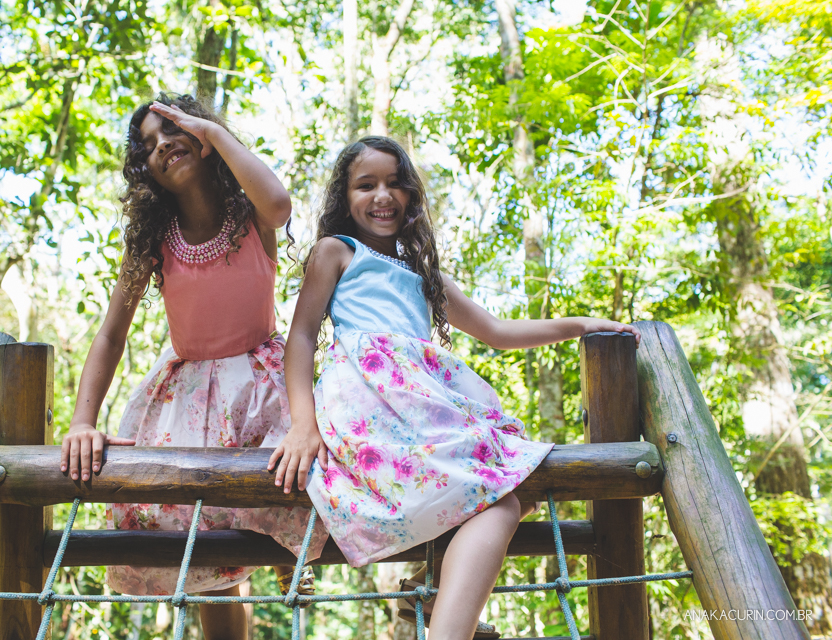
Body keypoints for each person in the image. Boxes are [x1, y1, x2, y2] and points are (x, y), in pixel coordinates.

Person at [268, 136, 640, 640]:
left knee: (514, 479)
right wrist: (302, 425)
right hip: (372, 398)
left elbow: (499, 332)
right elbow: (301, 339)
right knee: (502, 496)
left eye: (396, 183)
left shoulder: (424, 276)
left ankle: (430, 590)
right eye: (367, 185)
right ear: (344, 199)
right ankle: (438, 608)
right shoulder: (337, 251)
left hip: (425, 398)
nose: (384, 195)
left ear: (412, 197)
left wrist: (582, 324)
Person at [59, 93, 323, 640]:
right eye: (149, 146)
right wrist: (83, 420)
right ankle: (258, 563)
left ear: (203, 136)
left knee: (293, 479)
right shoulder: (154, 242)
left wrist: (215, 133)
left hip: (260, 391)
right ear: (145, 171)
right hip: (189, 401)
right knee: (211, 566)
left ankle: (281, 548)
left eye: (173, 130)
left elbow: (281, 204)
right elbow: (111, 333)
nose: (163, 146)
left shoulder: (252, 216)